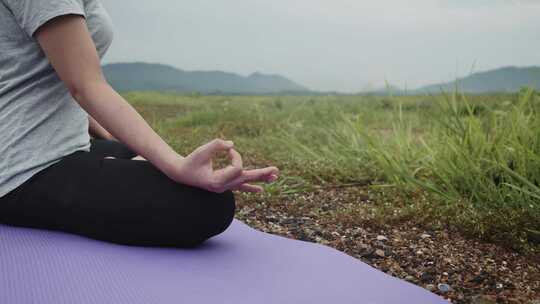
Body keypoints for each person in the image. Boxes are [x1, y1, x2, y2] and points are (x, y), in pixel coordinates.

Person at [0, 0, 279, 248]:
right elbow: (85, 85)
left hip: (54, 144)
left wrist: (108, 138)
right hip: (22, 169)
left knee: (139, 154)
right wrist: (177, 166)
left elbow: (32, 73)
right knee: (208, 205)